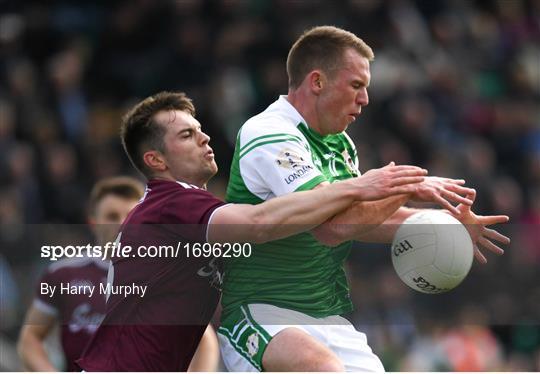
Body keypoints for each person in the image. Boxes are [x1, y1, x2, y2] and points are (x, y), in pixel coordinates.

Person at [218, 25, 511, 372]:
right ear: (317, 82)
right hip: (261, 311)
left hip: (326, 317)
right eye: (356, 85)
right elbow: (329, 228)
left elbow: (358, 219)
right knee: (322, 368)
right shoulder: (269, 132)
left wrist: (442, 222)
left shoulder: (341, 145)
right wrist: (400, 187)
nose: (365, 99)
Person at [76, 91, 435, 371]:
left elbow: (297, 226)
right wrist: (358, 187)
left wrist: (423, 218)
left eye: (200, 130)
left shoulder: (184, 211)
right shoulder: (171, 204)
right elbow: (260, 223)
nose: (204, 139)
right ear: (157, 161)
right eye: (187, 135)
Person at [17, 177, 144, 371]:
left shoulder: (163, 276)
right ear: (93, 222)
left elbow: (203, 341)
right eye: (111, 216)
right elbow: (30, 339)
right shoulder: (63, 275)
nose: (121, 224)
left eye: (130, 216)